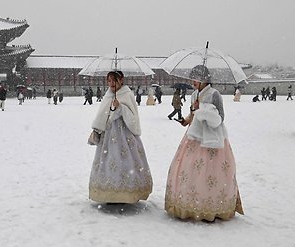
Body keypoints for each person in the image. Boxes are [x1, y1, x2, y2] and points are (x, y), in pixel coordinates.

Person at [165, 65, 244, 221]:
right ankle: (189, 202)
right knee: (189, 170)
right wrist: (187, 120)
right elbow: (193, 115)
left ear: (205, 79)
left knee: (211, 172)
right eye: (192, 78)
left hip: (211, 139)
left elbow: (220, 118)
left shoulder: (215, 95)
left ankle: (211, 205)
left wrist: (202, 110)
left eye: (196, 78)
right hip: (193, 137)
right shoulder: (195, 94)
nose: (193, 82)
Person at [88, 71, 153, 204]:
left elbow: (133, 117)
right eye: (109, 81)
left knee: (125, 161)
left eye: (114, 80)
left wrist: (121, 107)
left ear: (121, 80)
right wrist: (97, 128)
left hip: (124, 134)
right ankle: (109, 193)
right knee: (109, 161)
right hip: (108, 135)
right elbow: (102, 114)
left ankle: (126, 193)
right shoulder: (108, 95)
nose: (111, 84)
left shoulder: (127, 94)